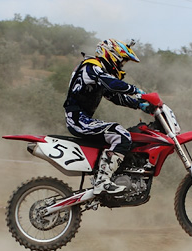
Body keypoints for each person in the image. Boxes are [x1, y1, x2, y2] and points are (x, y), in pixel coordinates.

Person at [63, 38, 152, 194]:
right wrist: (137, 91)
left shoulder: (98, 72)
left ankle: (113, 175)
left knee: (123, 133)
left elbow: (114, 96)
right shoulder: (91, 67)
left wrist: (140, 105)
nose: (121, 66)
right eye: (122, 61)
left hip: (83, 119)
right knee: (121, 134)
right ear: (112, 55)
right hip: (77, 119)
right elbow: (111, 84)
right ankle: (102, 182)